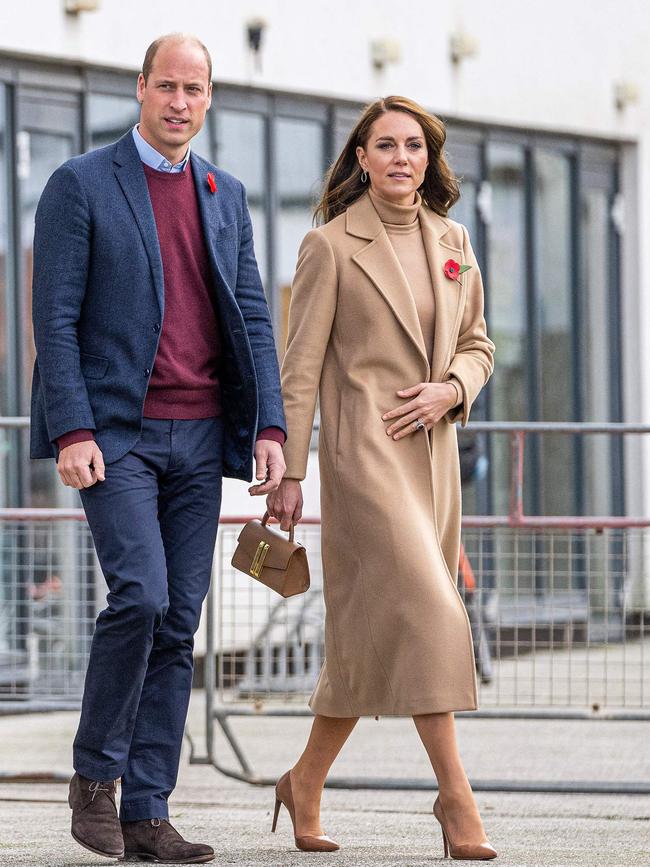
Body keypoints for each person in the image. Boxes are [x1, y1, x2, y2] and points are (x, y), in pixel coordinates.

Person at [30, 33, 286, 864]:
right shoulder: (81, 185)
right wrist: (71, 429)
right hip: (118, 437)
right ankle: (94, 775)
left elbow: (252, 319)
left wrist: (272, 430)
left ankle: (147, 810)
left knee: (179, 621)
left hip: (204, 437)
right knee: (139, 595)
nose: (180, 102)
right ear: (140, 88)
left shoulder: (224, 192)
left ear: (210, 98)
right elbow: (54, 318)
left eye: (196, 89)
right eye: (167, 86)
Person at [267, 95, 496, 859]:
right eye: (386, 146)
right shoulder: (329, 246)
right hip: (364, 462)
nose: (402, 158)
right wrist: (290, 473)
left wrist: (452, 387)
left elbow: (478, 345)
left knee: (365, 645)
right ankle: (456, 799)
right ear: (360, 158)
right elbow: (298, 372)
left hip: (433, 463)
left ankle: (304, 779)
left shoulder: (454, 239)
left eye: (415, 146)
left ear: (429, 159)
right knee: (433, 612)